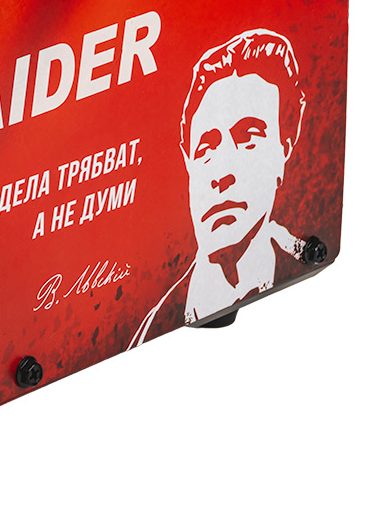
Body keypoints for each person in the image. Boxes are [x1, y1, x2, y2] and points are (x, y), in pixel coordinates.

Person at [130, 29, 308, 346]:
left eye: (248, 138)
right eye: (205, 148)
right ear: (188, 165)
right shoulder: (146, 326)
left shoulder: (301, 258)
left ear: (284, 151)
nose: (221, 173)